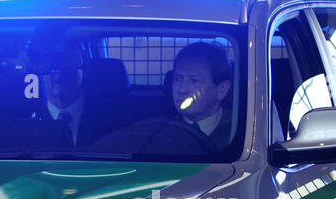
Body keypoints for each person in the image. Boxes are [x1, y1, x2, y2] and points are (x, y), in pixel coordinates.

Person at [94, 42, 234, 156]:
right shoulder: (152, 131)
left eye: (194, 81)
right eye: (178, 79)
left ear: (221, 89)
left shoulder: (241, 135)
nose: (182, 89)